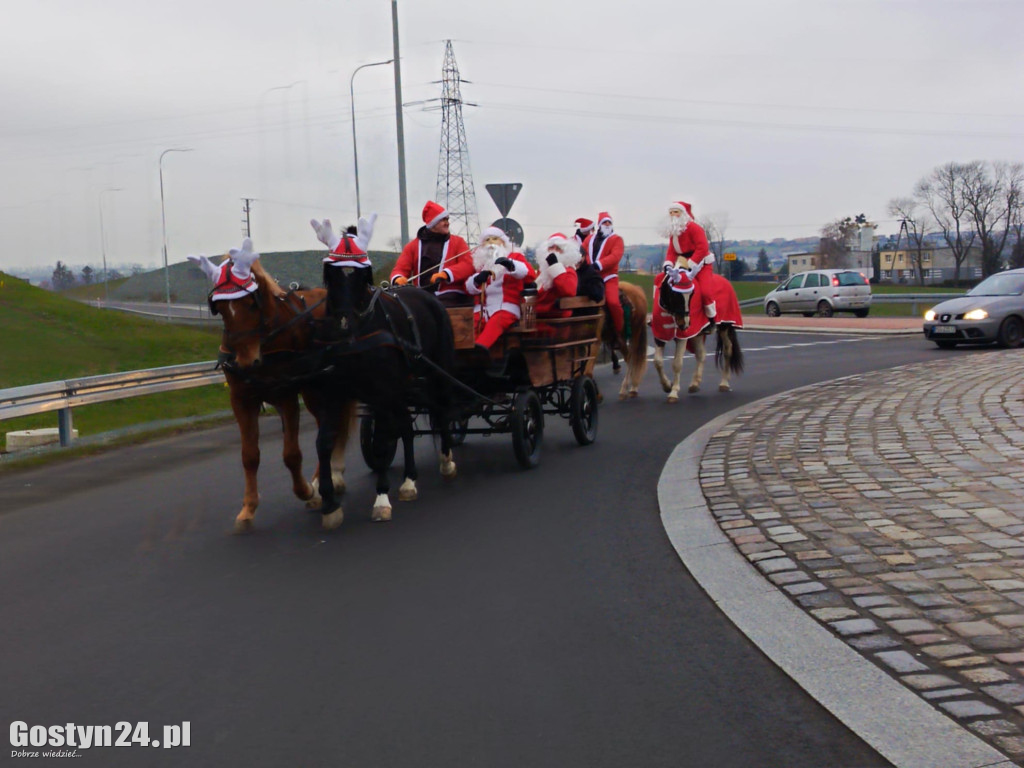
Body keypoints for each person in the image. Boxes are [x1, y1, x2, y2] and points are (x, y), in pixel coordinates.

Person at [390, 200, 474, 307]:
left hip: (452, 297)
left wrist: (446, 274)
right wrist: (398, 278)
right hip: (421, 298)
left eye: (447, 219)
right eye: (443, 220)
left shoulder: (458, 242)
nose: (447, 223)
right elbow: (400, 268)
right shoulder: (412, 246)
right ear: (433, 223)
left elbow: (468, 265)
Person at [466, 226, 537, 349]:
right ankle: (464, 352)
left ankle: (479, 350)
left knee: (496, 322)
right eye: (487, 240)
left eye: (495, 239)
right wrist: (476, 280)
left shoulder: (515, 256)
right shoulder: (479, 263)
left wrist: (511, 265)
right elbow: (469, 288)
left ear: (503, 242)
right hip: (483, 308)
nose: (491, 243)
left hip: (506, 306)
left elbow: (530, 274)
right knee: (470, 324)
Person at [663, 201, 716, 324]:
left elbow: (702, 248)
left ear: (683, 213)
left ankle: (711, 319)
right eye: (670, 212)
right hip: (681, 263)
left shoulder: (695, 228)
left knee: (705, 292)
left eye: (676, 212)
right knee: (663, 282)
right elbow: (671, 251)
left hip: (701, 263)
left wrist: (690, 264)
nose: (673, 215)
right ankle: (665, 312)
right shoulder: (674, 231)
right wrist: (668, 265)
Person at [581, 211, 625, 339]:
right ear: (599, 225)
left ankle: (619, 331)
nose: (607, 224)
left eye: (609, 222)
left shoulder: (617, 239)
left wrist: (598, 265)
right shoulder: (589, 239)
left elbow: (615, 256)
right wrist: (587, 265)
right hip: (591, 277)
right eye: (604, 222)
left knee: (613, 302)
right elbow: (583, 253)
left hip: (608, 277)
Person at [533, 232, 579, 319]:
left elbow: (569, 291)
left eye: (558, 248)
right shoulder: (542, 272)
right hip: (539, 316)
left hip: (555, 319)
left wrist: (555, 266)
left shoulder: (568, 270)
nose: (554, 251)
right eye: (551, 247)